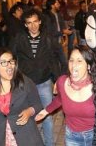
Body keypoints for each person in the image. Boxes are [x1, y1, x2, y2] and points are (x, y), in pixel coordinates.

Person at [9, 8, 60, 146]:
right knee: (28, 116)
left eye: (35, 22)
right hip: (25, 85)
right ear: (25, 24)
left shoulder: (48, 38)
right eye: (29, 23)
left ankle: (49, 144)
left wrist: (59, 80)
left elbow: (57, 58)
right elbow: (10, 57)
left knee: (47, 116)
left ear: (40, 21)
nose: (33, 25)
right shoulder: (19, 38)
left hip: (44, 82)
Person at [36, 46, 96, 145]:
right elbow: (60, 99)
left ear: (88, 66)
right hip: (72, 136)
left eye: (79, 61)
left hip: (95, 135)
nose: (73, 65)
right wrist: (46, 110)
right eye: (71, 60)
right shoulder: (62, 82)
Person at [0, 48, 43, 146]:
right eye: (3, 62)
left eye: (11, 61)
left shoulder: (24, 82)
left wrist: (30, 111)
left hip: (25, 136)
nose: (10, 66)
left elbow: (38, 104)